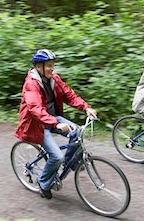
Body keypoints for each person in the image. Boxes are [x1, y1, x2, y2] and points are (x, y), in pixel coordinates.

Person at [15, 49, 97, 199]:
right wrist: (55, 123)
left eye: (53, 65)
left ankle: (70, 162)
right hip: (38, 124)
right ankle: (43, 183)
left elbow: (69, 95)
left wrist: (86, 107)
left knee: (77, 132)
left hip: (52, 119)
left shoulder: (54, 80)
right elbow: (35, 108)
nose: (52, 68)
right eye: (49, 65)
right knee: (56, 157)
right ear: (39, 67)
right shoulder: (31, 84)